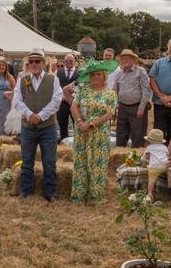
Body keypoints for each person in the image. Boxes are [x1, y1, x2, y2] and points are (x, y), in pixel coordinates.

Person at [7, 48, 62, 202]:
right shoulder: (23, 79)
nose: (33, 64)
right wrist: (29, 114)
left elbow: (57, 101)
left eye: (37, 61)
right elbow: (17, 101)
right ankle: (25, 190)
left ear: (44, 63)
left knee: (49, 161)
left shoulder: (53, 79)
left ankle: (49, 192)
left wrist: (41, 115)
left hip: (48, 127)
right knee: (27, 161)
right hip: (28, 127)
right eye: (30, 61)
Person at [70, 59, 118, 203]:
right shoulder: (82, 90)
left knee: (97, 164)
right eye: (93, 74)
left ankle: (96, 197)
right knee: (80, 162)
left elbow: (109, 114)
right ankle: (78, 195)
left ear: (104, 76)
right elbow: (74, 107)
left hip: (99, 133)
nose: (95, 77)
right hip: (81, 131)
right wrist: (80, 122)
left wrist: (90, 125)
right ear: (89, 76)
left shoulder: (110, 94)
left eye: (99, 74)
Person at [113, 49, 151, 148]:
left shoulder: (141, 71)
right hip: (122, 107)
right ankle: (120, 156)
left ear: (133, 60)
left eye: (127, 58)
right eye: (122, 59)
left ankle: (136, 159)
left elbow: (146, 91)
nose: (124, 60)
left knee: (137, 136)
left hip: (137, 107)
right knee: (120, 135)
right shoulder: (119, 73)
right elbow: (115, 91)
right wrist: (115, 106)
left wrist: (141, 108)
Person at [56, 54, 79, 142]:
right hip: (62, 102)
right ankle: (64, 142)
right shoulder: (58, 72)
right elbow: (56, 87)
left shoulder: (80, 72)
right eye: (66, 61)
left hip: (75, 102)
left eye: (70, 61)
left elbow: (81, 87)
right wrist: (63, 97)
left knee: (76, 123)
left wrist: (72, 97)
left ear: (75, 62)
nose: (68, 62)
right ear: (64, 61)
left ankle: (77, 142)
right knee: (62, 124)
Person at [140, 129, 170, 195]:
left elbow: (144, 159)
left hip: (154, 167)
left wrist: (143, 166)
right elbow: (168, 156)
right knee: (165, 165)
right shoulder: (165, 147)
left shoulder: (149, 148)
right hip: (165, 165)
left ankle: (150, 193)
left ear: (149, 141)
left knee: (151, 180)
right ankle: (168, 174)